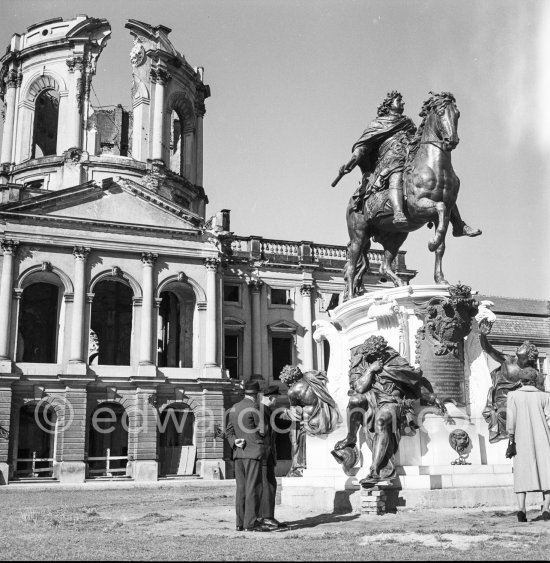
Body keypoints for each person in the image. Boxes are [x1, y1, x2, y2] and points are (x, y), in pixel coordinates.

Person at [334, 90, 481, 236]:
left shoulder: (407, 123)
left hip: (408, 157)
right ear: (389, 105)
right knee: (397, 175)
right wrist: (350, 164)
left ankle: (458, 224)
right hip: (389, 161)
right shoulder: (378, 123)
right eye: (398, 100)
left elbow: (418, 138)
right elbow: (362, 147)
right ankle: (398, 212)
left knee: (441, 185)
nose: (403, 102)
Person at [333, 335, 446, 486]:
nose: (369, 359)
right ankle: (351, 437)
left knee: (381, 421)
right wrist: (371, 370)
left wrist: (432, 398)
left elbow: (414, 383)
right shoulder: (369, 365)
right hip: (373, 399)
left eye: (372, 356)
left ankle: (375, 470)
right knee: (355, 400)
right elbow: (359, 388)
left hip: (392, 402)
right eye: (368, 357)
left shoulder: (396, 363)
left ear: (381, 353)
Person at [480, 320, 540, 443]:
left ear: (528, 355)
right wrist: (483, 335)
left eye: (523, 347)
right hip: (502, 398)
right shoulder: (508, 360)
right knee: (508, 411)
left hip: (520, 399)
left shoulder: (531, 372)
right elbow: (489, 350)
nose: (518, 347)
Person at [225, 380, 271, 532]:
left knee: (241, 488)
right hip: (254, 452)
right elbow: (263, 430)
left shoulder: (233, 408)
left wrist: (234, 442)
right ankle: (251, 523)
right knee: (253, 488)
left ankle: (240, 523)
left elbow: (229, 432)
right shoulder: (255, 408)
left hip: (239, 452)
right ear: (257, 394)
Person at [279, 365, 341, 477]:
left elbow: (295, 413)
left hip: (311, 421)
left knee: (295, 434)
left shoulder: (293, 391)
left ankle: (299, 466)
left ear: (289, 380)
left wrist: (284, 413)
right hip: (325, 414)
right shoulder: (311, 376)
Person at [506, 367, 550, 522]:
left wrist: (511, 437)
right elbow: (549, 419)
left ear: (520, 380)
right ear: (535, 379)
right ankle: (545, 507)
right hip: (543, 437)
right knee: (547, 472)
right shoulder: (544, 396)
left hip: (521, 437)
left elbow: (511, 420)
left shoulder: (513, 395)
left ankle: (522, 509)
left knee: (521, 472)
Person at [258, 384, 287, 530]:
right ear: (270, 397)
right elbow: (264, 435)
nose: (276, 401)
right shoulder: (263, 411)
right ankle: (267, 517)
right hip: (265, 455)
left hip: (266, 455)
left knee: (268, 485)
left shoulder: (266, 410)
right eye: (275, 398)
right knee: (268, 485)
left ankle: (266, 516)